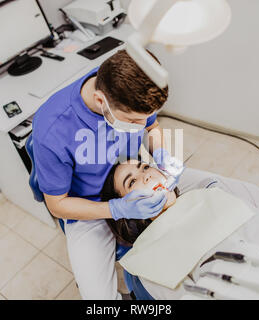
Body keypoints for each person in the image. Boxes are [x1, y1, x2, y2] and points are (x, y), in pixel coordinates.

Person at [32, 50, 184, 299]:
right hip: (89, 207)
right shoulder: (53, 130)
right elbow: (57, 205)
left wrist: (161, 157)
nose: (140, 126)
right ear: (101, 101)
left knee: (210, 191)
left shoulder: (133, 90)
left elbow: (153, 127)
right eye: (132, 121)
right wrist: (115, 209)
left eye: (142, 119)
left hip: (134, 173)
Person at [100, 159, 259, 299]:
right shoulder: (149, 261)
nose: (146, 176)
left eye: (144, 167)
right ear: (126, 211)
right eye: (131, 182)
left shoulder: (213, 190)